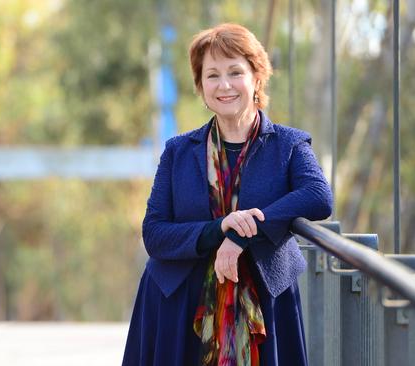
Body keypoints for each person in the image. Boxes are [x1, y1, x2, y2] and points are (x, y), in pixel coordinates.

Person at [123, 23, 332, 366]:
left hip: (265, 304)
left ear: (257, 78)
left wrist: (239, 237)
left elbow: (318, 196)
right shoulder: (178, 151)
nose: (224, 85)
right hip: (178, 305)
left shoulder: (288, 145)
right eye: (212, 75)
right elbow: (155, 234)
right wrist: (219, 228)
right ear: (200, 86)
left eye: (235, 72)